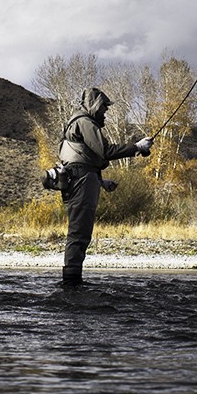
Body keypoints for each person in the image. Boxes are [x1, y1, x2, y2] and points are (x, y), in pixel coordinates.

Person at [57, 87, 151, 291]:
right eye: (103, 109)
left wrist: (101, 181)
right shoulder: (84, 122)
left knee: (80, 231)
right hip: (81, 181)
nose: (105, 113)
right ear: (94, 105)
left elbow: (83, 158)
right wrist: (137, 147)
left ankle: (73, 282)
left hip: (81, 179)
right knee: (79, 232)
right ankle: (71, 284)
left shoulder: (79, 122)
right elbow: (105, 151)